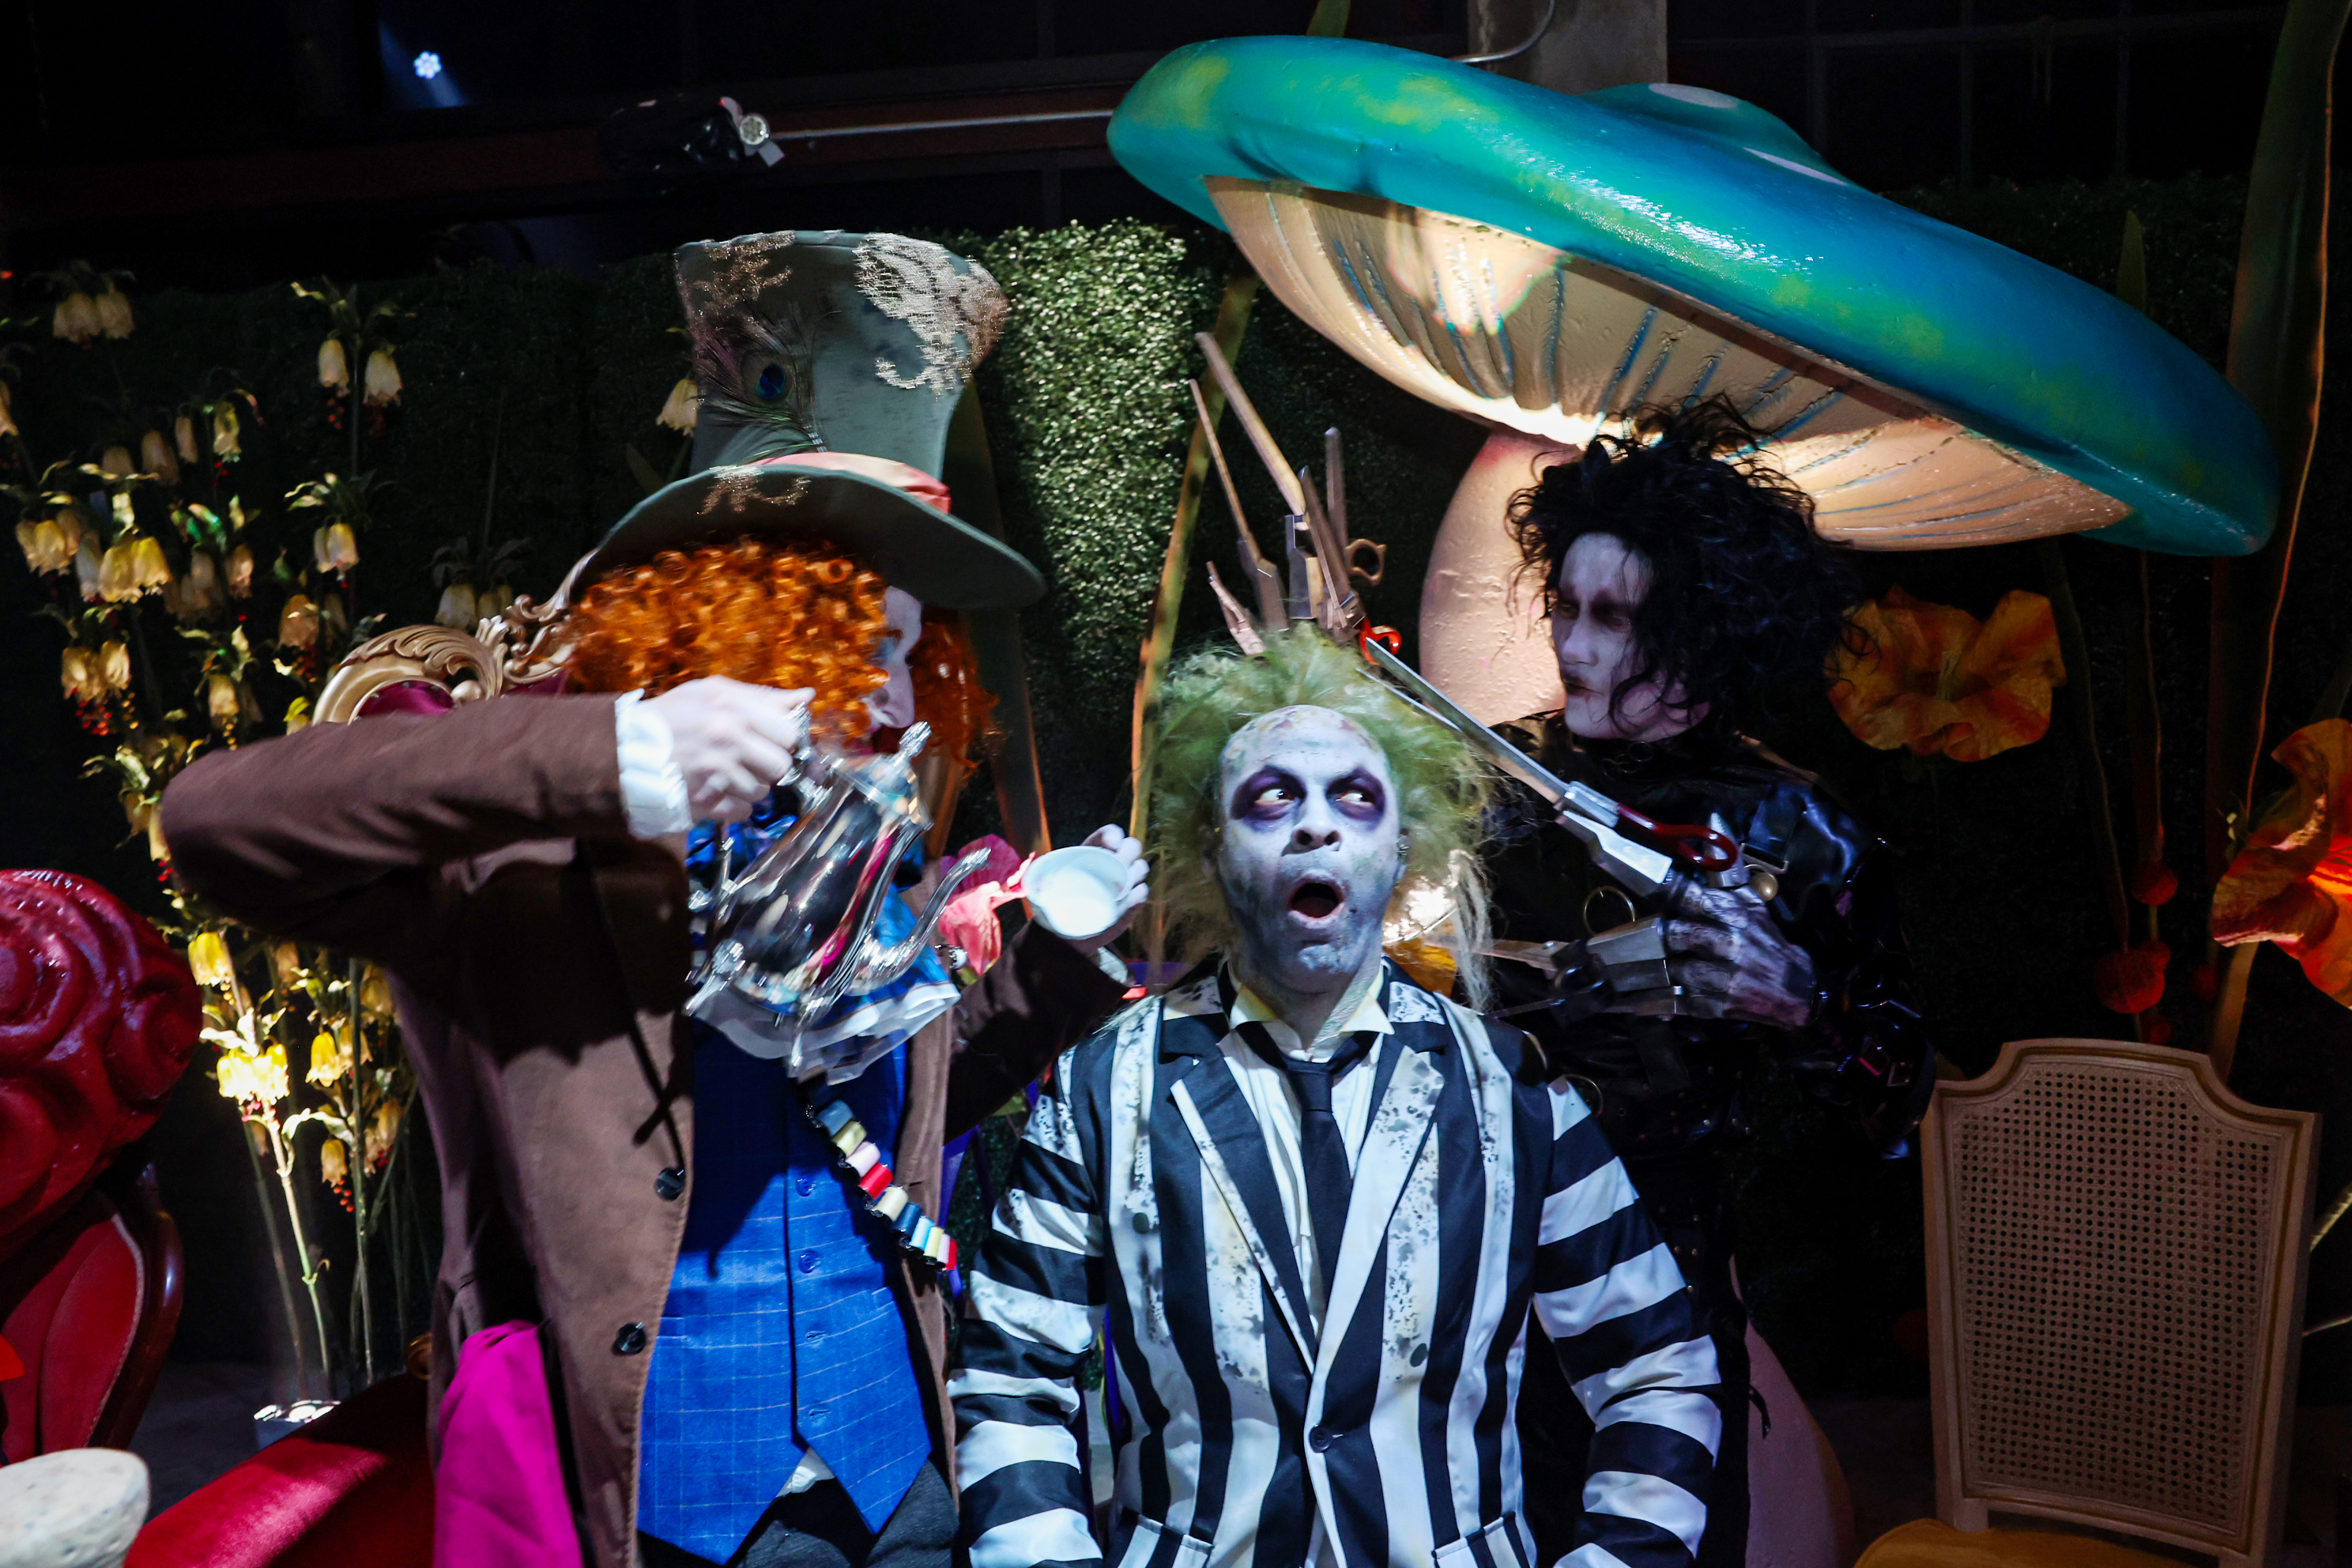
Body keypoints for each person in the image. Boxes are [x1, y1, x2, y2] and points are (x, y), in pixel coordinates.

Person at [161, 232, 1143, 1568]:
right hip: (664, 1499)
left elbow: (894, 1127)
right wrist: (620, 755)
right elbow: (216, 822)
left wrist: (1065, 962)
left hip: (900, 1472)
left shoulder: (870, 859)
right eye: (868, 646)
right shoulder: (524, 864)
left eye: (917, 655)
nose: (901, 698)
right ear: (751, 627)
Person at [952, 629, 1721, 1568]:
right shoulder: (1106, 1086)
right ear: (1212, 848)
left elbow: (1657, 1366)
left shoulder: (1512, 1088)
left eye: (1355, 799)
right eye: (1271, 799)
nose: (1316, 827)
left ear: (1402, 851)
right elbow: (1009, 1376)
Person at [1484, 398, 1935, 1568]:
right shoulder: (1488, 783)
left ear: (1701, 638)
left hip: (1668, 1266)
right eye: (1565, 606)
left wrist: (1801, 1009)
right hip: (1475, 1256)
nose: (1573, 647)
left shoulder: (1802, 829)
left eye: (1615, 619)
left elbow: (1896, 1103)